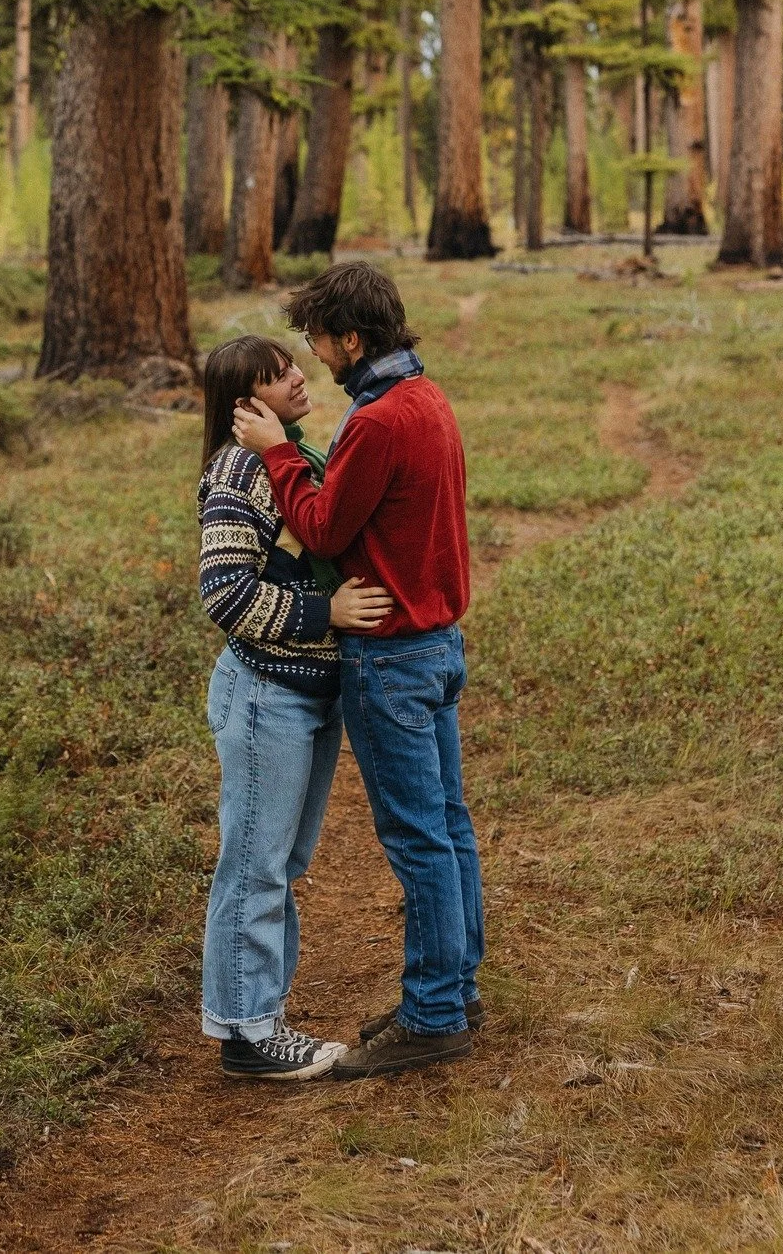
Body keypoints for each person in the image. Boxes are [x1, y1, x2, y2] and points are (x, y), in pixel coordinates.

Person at [232, 262, 484, 1079]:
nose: (314, 356)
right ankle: (455, 989)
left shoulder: (377, 421)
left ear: (350, 338)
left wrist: (276, 453)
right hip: (438, 643)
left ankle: (435, 1013)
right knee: (447, 825)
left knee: (418, 838)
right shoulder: (429, 397)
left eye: (317, 340)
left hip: (393, 656)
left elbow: (326, 529)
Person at [197, 334, 395, 1081]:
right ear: (245, 403)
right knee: (255, 864)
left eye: (291, 366)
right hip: (265, 694)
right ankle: (249, 1033)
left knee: (279, 860)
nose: (297, 377)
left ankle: (259, 1013)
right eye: (277, 377)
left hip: (307, 694)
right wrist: (327, 613)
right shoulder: (241, 468)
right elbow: (224, 591)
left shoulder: (293, 457)